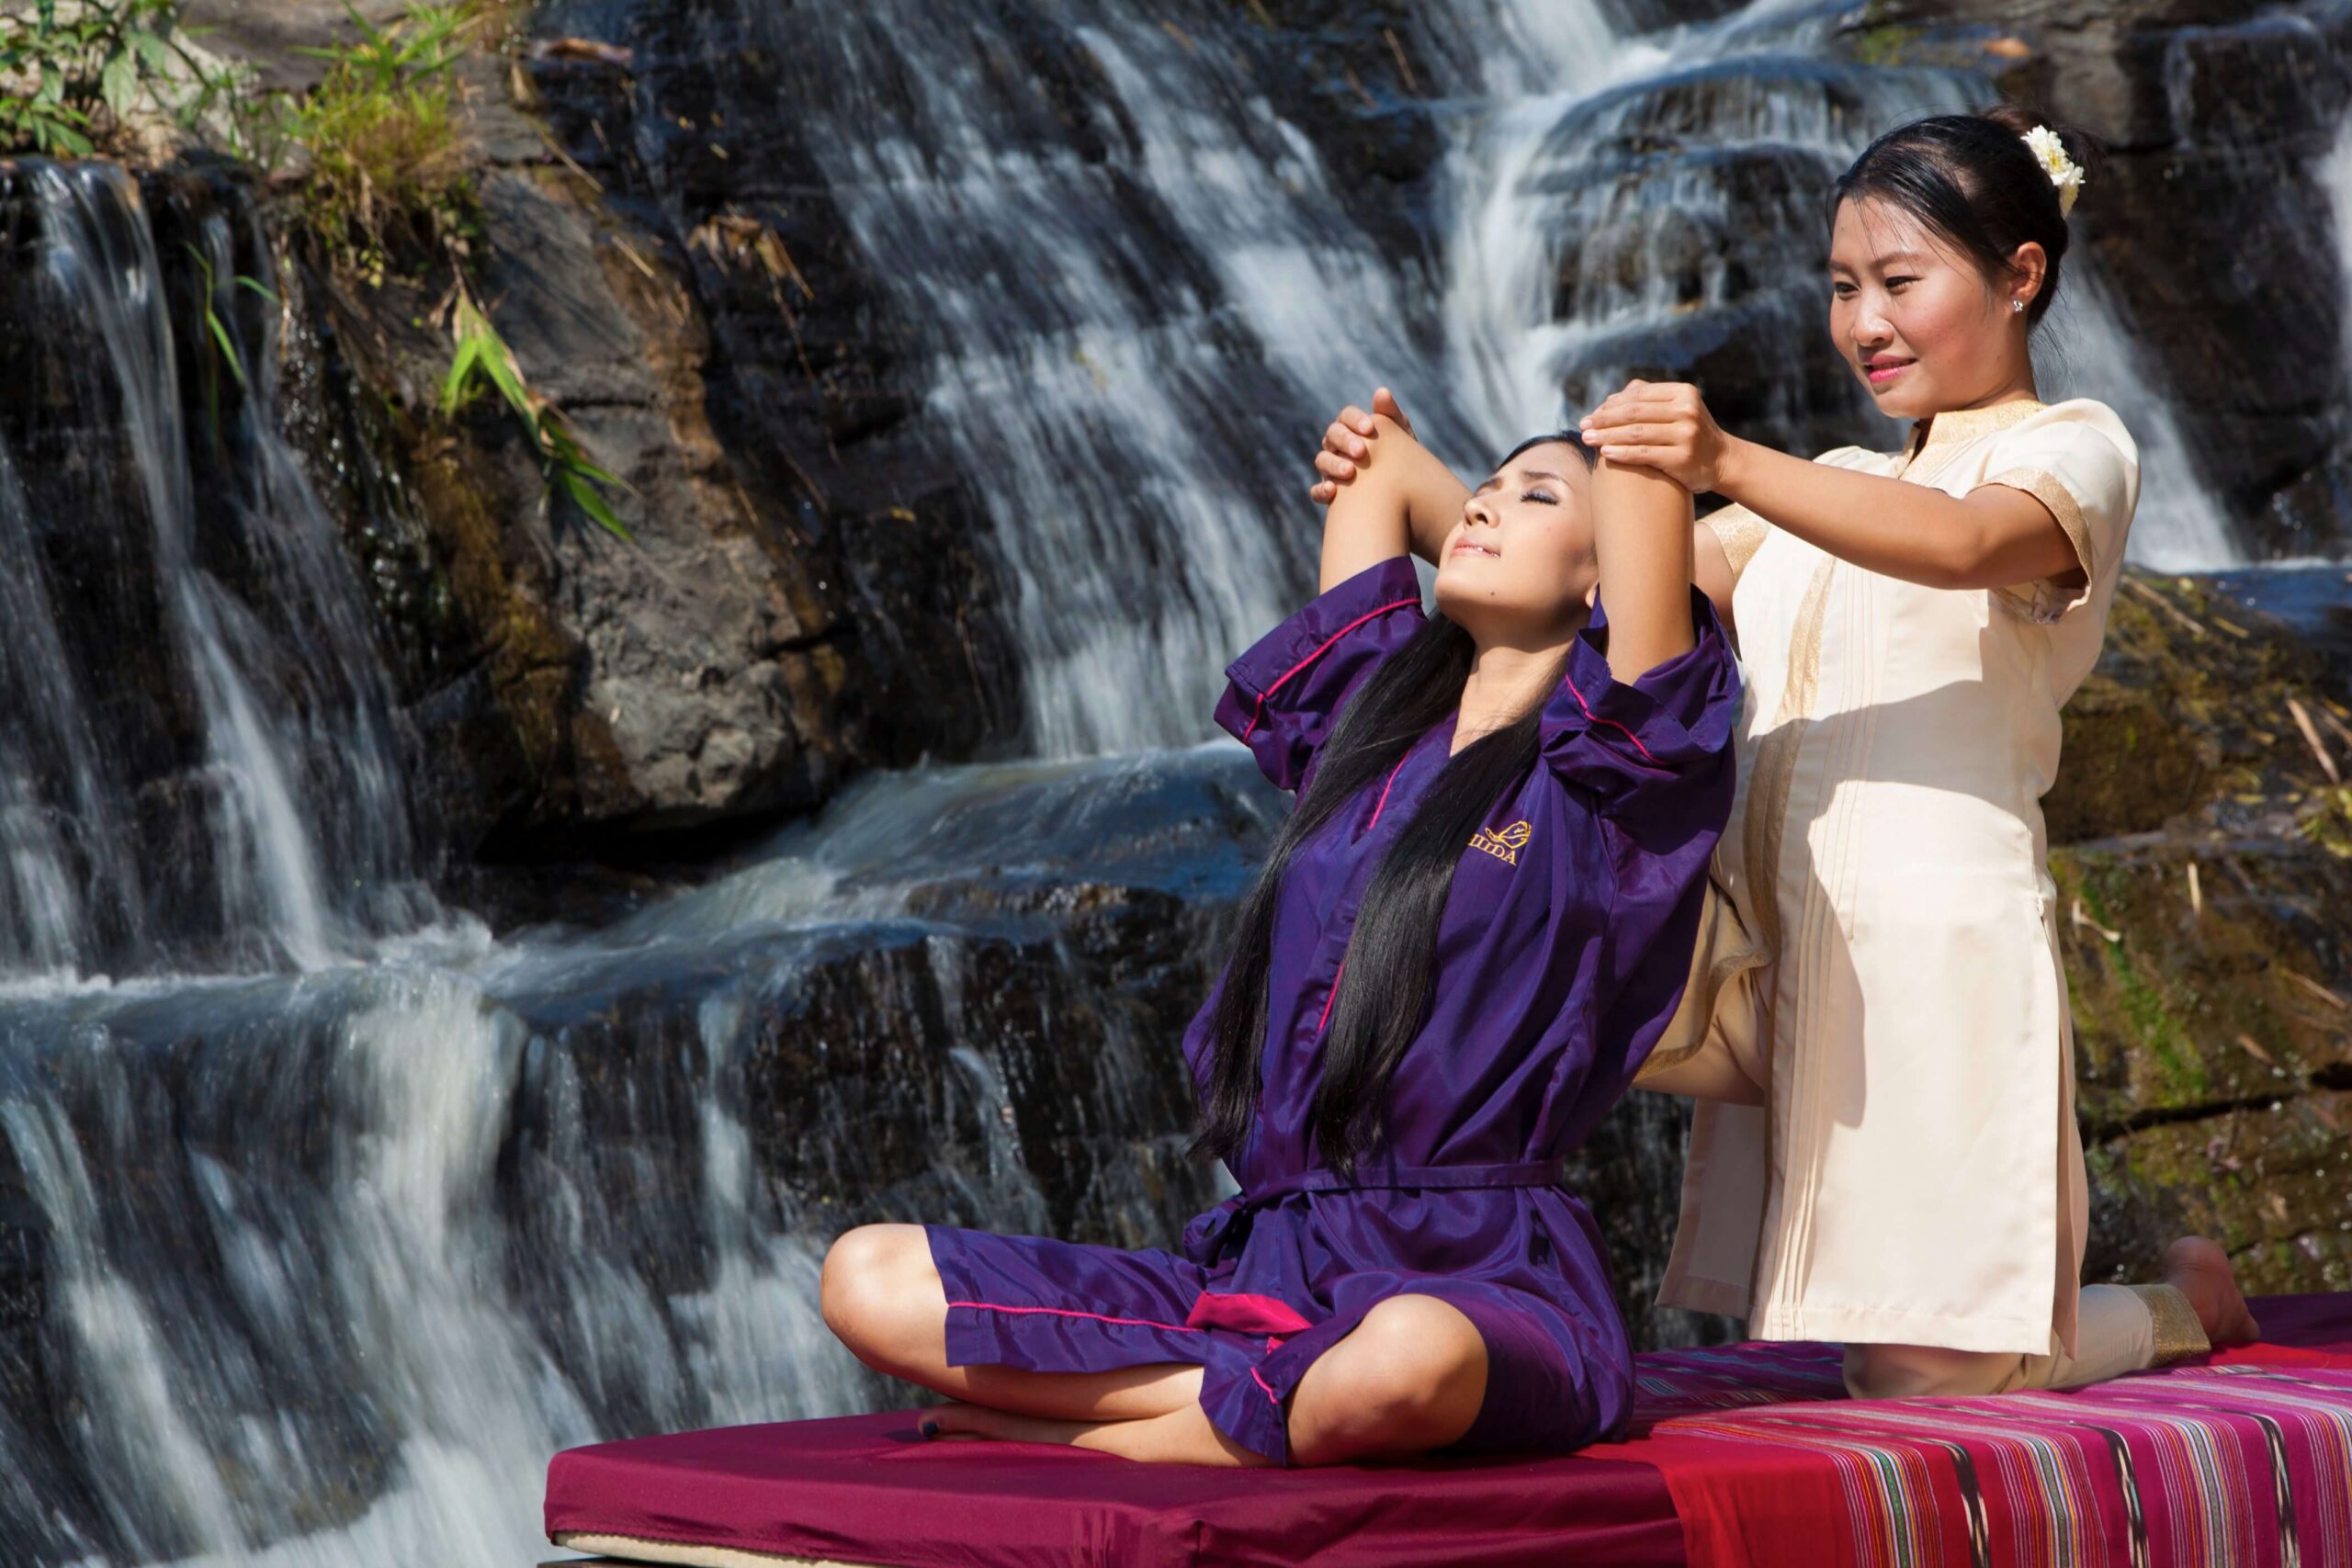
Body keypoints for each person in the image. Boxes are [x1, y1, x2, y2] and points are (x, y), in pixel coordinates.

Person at [1307, 105, 2258, 1402]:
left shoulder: (2072, 445)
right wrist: (1416, 482)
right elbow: (1603, 576)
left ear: (2020, 275)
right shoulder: (1832, 478)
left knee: (1913, 1372)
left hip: (1923, 956)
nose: (1864, 321)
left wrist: (1727, 459)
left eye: (1900, 283)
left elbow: (1965, 542)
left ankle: (2172, 1308)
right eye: (1842, 287)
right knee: (1528, 899)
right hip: (1750, 940)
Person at [820, 421, 1742, 1467]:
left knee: (1405, 1359)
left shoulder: (1615, 771)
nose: (1482, 505)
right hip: (1267, 1268)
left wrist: (1587, 514)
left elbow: (1640, 495)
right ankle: (1242, 1403)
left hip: (1480, 1280)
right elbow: (1381, 465)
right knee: (869, 1278)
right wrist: (1486, 515)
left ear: (1607, 580)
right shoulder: (1367, 726)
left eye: (1536, 496)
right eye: (1481, 490)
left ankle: (1113, 1432)